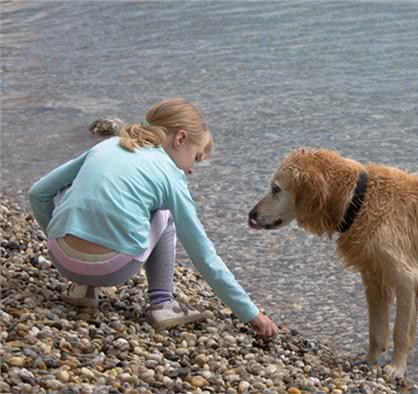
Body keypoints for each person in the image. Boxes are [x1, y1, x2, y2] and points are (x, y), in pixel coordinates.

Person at [29, 98, 279, 336]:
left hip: (62, 257)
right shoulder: (170, 174)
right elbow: (203, 254)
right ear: (180, 138)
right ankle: (162, 304)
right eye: (196, 157)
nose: (191, 169)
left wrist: (58, 237)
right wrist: (251, 314)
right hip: (112, 268)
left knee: (76, 193)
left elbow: (38, 193)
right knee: (165, 213)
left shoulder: (106, 145)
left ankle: (83, 287)